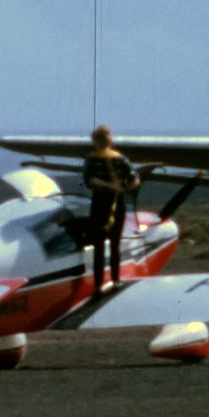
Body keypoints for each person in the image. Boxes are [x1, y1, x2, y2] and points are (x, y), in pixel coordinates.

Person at [81, 125, 140, 301]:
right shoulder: (120, 159)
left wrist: (106, 186)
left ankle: (98, 286)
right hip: (117, 202)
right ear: (109, 140)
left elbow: (89, 180)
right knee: (115, 243)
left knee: (99, 245)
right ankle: (115, 280)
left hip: (99, 203)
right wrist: (121, 188)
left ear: (95, 141)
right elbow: (134, 180)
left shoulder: (91, 160)